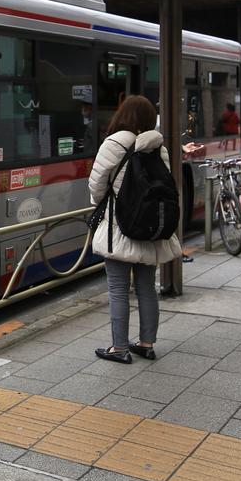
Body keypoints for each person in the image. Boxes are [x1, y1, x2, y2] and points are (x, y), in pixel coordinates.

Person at [88, 95, 185, 364]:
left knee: (118, 289)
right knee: (146, 287)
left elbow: (96, 185)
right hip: (150, 226)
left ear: (123, 115)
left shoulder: (114, 143)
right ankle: (146, 343)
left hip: (119, 227)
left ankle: (119, 348)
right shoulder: (159, 147)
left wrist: (103, 203)